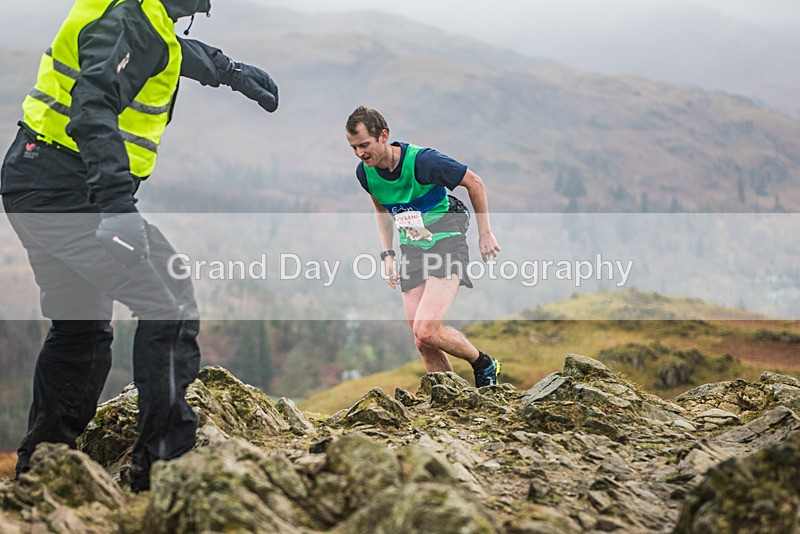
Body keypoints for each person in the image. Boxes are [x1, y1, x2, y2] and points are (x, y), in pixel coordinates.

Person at [0, 0, 279, 491]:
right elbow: (93, 105)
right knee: (168, 303)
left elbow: (162, 49)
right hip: (70, 188)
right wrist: (114, 203)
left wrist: (225, 69)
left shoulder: (137, 14)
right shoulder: (132, 20)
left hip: (35, 178)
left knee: (81, 330)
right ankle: (162, 469)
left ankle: (42, 474)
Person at [345, 106, 501, 387]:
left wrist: (485, 233)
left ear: (383, 136)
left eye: (364, 145)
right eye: (353, 147)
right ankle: (448, 400)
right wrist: (388, 254)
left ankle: (484, 363)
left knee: (427, 329)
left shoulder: (423, 161)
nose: (359, 153)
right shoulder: (365, 173)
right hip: (412, 247)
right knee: (422, 341)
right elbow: (382, 210)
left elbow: (474, 182)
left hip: (446, 240)